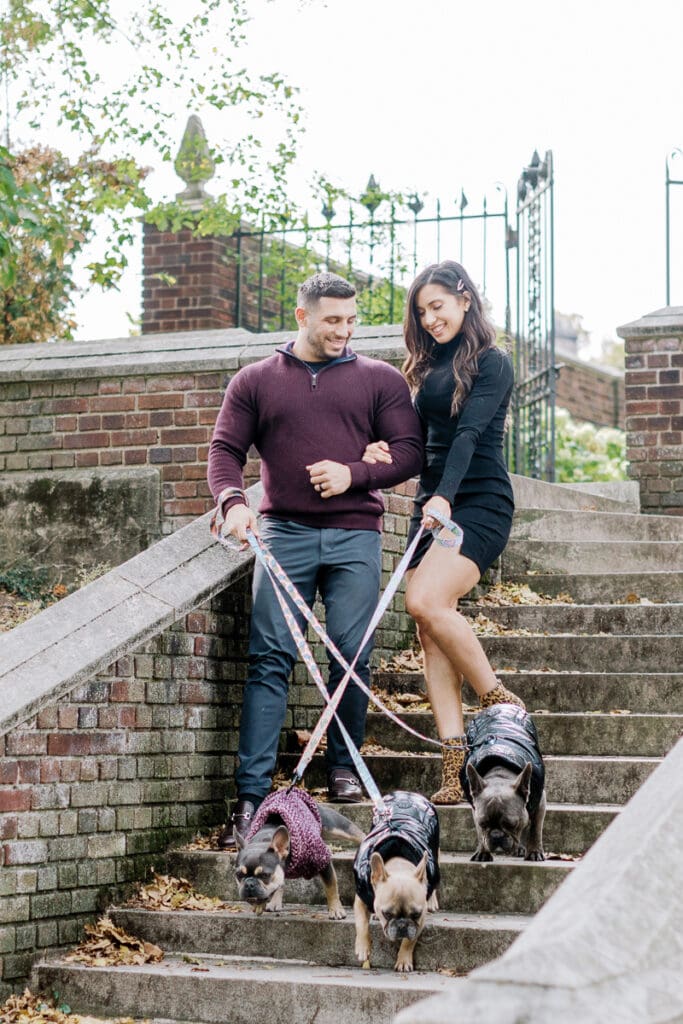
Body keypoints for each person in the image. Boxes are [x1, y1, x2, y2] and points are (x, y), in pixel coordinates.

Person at [208, 271, 423, 849]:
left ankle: (343, 770)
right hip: (282, 535)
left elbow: (409, 451)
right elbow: (225, 450)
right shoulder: (256, 380)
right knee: (270, 659)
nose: (344, 332)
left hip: (356, 534)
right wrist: (232, 503)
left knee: (351, 656)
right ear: (302, 316)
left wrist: (355, 472)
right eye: (332, 321)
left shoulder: (378, 380)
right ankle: (251, 798)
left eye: (351, 321)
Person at [363, 260, 524, 805]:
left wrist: (445, 497)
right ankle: (454, 761)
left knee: (426, 598)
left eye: (438, 306)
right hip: (433, 503)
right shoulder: (430, 367)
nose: (431, 319)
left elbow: (469, 436)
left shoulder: (492, 363)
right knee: (429, 627)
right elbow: (418, 441)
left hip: (475, 501)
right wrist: (381, 450)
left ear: (464, 298)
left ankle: (500, 701)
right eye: (422, 311)